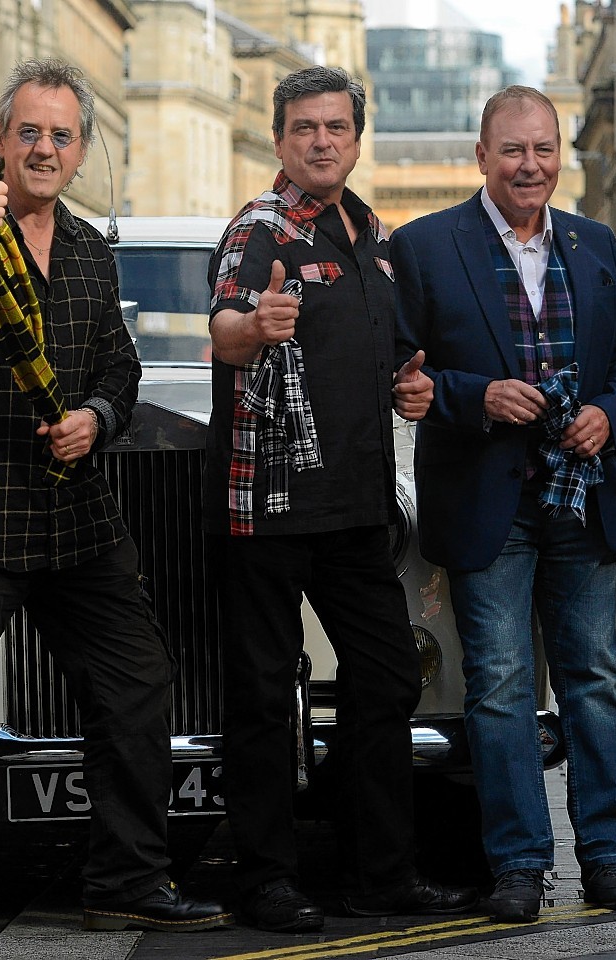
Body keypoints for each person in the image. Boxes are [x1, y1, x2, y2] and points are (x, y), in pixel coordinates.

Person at [0, 58, 231, 957]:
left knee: (139, 684)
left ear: (79, 153)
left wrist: (96, 418)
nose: (43, 147)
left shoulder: (86, 252)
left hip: (75, 516)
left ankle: (127, 883)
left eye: (59, 135)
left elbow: (121, 368)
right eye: (27, 131)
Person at [206, 64, 477, 932]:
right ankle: (264, 880)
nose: (321, 141)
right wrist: (253, 330)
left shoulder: (371, 232)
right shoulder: (260, 226)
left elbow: (399, 354)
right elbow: (225, 327)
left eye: (335, 128)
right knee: (257, 694)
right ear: (279, 139)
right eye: (304, 128)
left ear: (356, 140)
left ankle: (377, 872)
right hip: (267, 504)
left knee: (388, 679)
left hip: (358, 504)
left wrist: (410, 386)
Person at [391, 85, 616, 923]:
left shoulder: (596, 243)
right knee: (498, 689)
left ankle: (608, 857)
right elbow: (404, 378)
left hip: (580, 502)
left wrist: (610, 413)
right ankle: (517, 866)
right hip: (483, 500)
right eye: (511, 150)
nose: (528, 166)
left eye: (541, 150)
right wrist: (476, 397)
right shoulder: (426, 247)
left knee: (594, 685)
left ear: (557, 156)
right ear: (481, 155)